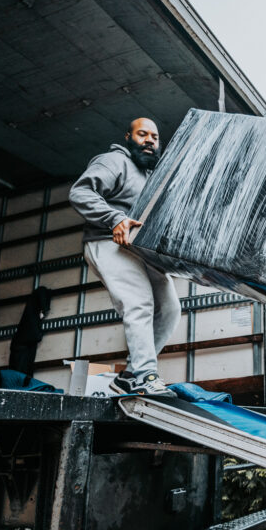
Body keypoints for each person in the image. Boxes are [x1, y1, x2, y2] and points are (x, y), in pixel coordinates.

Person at [69, 118, 179, 397]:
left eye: (154, 137)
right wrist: (114, 218)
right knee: (138, 302)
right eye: (142, 134)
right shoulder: (114, 161)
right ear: (128, 137)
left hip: (139, 249)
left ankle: (130, 375)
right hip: (107, 241)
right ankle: (144, 375)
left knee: (169, 309)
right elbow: (80, 192)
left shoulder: (151, 177)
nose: (150, 141)